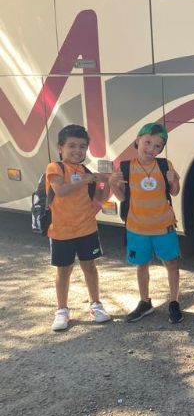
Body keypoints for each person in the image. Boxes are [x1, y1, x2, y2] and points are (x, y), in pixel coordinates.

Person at [109, 123, 183, 324]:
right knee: (142, 265)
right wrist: (113, 184)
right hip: (137, 227)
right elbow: (122, 197)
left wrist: (174, 180)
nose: (151, 149)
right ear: (138, 140)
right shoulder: (126, 167)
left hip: (164, 226)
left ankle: (174, 302)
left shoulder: (164, 165)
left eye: (158, 146)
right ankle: (145, 302)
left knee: (172, 263)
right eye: (148, 142)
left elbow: (174, 191)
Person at [47, 124, 111, 331]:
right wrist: (86, 179)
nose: (77, 151)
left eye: (82, 146)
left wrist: (106, 182)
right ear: (60, 148)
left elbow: (100, 198)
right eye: (72, 146)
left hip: (87, 230)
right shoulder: (55, 167)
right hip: (61, 231)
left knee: (90, 267)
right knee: (64, 271)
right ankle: (62, 310)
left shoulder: (86, 171)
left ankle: (96, 304)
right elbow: (61, 191)